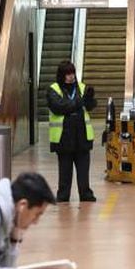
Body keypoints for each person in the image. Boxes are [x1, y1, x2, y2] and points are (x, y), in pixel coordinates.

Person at [46, 60, 97, 202]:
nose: (71, 76)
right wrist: (80, 102)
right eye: (68, 73)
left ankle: (85, 194)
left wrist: (90, 99)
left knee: (83, 169)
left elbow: (90, 106)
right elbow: (59, 107)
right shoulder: (53, 89)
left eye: (72, 73)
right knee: (65, 170)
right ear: (62, 75)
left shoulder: (82, 88)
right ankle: (63, 196)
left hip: (82, 135)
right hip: (64, 137)